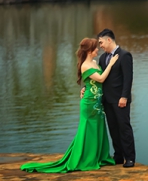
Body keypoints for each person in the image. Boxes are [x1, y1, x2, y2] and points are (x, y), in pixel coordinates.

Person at [21, 38, 118, 173]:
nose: (97, 49)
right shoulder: (85, 65)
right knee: (87, 129)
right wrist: (111, 64)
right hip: (89, 103)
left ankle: (98, 157)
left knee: (98, 128)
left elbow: (92, 82)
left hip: (97, 103)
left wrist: (84, 88)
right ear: (89, 51)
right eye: (95, 48)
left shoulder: (95, 62)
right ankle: (85, 159)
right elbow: (101, 79)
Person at [97, 28, 136, 168]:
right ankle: (118, 156)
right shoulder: (102, 58)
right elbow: (99, 78)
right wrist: (85, 88)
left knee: (124, 128)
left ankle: (130, 158)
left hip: (120, 100)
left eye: (101, 42)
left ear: (109, 40)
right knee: (113, 129)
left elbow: (128, 78)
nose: (100, 45)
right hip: (107, 100)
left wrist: (124, 96)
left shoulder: (124, 55)